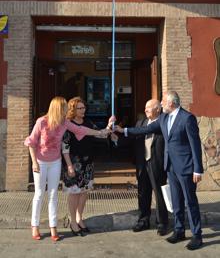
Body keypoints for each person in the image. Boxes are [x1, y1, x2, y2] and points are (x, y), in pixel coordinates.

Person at [114, 91, 203, 251]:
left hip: (185, 167)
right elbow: (143, 130)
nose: (161, 104)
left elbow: (195, 145)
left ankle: (197, 235)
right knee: (176, 202)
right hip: (170, 167)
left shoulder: (187, 118)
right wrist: (124, 130)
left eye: (163, 102)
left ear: (171, 103)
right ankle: (179, 230)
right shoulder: (163, 118)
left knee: (190, 202)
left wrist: (198, 169)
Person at [24, 96, 107, 242]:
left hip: (55, 162)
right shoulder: (41, 122)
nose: (67, 111)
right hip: (40, 162)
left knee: (53, 194)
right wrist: (34, 163)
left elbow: (81, 129)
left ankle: (53, 226)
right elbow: (31, 142)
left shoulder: (64, 123)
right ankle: (35, 225)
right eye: (64, 108)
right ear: (57, 108)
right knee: (39, 194)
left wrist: (100, 132)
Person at [62, 97, 112, 236]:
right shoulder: (68, 125)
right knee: (74, 193)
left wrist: (109, 125)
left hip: (88, 164)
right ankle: (73, 221)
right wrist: (69, 166)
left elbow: (101, 135)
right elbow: (65, 148)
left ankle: (79, 218)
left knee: (84, 192)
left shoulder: (88, 122)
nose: (83, 110)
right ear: (73, 109)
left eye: (83, 107)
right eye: (79, 108)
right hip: (73, 164)